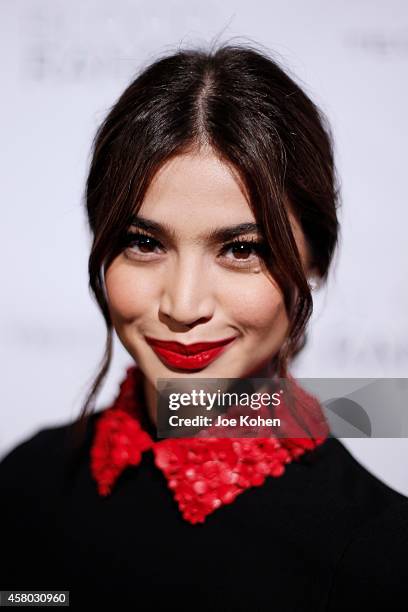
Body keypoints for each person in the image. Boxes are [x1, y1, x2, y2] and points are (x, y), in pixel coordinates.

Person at [1, 41, 407, 610]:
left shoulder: (380, 560)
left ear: (314, 258)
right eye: (144, 243)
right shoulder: (26, 485)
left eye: (241, 249)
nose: (184, 304)